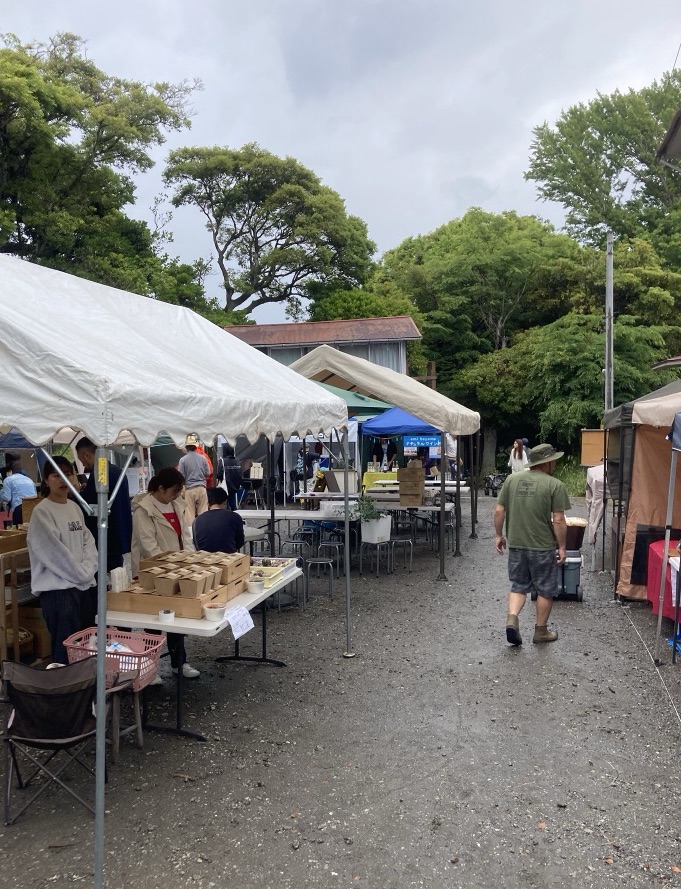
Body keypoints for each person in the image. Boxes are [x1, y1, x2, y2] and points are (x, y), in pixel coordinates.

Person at [494, 443, 571, 646]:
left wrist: (498, 535)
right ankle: (541, 632)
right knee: (545, 589)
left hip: (517, 543)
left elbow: (499, 510)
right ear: (548, 462)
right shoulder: (555, 485)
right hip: (543, 545)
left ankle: (512, 618)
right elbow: (559, 519)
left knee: (518, 586)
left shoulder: (511, 480)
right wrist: (562, 547)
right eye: (553, 459)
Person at [27, 456, 98, 664]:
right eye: (56, 475)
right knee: (64, 649)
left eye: (67, 474)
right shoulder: (42, 512)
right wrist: (82, 574)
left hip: (83, 588)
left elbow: (89, 543)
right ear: (46, 480)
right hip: (58, 593)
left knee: (86, 645)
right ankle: (64, 694)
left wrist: (87, 571)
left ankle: (85, 692)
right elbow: (55, 555)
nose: (62, 480)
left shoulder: (74, 507)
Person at [131, 467, 199, 679]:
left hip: (178, 568)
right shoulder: (143, 510)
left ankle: (179, 663)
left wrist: (189, 560)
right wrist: (170, 567)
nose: (177, 494)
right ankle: (149, 669)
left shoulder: (177, 504)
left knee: (176, 617)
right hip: (153, 571)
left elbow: (185, 537)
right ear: (160, 488)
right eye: (174, 490)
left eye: (179, 490)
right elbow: (148, 546)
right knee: (153, 622)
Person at [75, 437, 132, 573]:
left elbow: (89, 506)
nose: (83, 465)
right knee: (116, 577)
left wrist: (76, 493)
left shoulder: (100, 474)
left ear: (86, 455)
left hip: (106, 539)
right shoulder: (118, 471)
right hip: (120, 536)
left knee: (104, 579)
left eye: (82, 460)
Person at [192, 486, 245, 553]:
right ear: (225, 502)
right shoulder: (235, 517)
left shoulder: (197, 520)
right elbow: (240, 542)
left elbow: (196, 544)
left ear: (208, 504)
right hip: (228, 558)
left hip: (204, 559)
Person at [178, 434, 210, 524]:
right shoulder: (203, 458)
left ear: (186, 447)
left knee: (189, 513)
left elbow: (180, 476)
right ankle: (203, 530)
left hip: (189, 489)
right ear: (196, 446)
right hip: (202, 488)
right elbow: (208, 473)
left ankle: (191, 534)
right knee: (203, 513)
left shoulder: (183, 460)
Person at [0, 459, 37, 525]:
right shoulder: (29, 480)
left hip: (19, 509)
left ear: (9, 471)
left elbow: (7, 498)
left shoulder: (8, 479)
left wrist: (1, 491)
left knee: (19, 530)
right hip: (33, 508)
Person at [216, 444, 243, 511]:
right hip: (235, 486)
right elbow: (240, 473)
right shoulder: (237, 461)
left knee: (224, 505)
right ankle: (235, 517)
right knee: (233, 504)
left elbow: (219, 474)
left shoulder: (222, 461)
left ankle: (226, 518)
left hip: (225, 486)